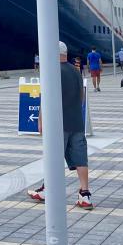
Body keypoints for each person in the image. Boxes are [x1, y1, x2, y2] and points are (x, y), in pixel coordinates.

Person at [26, 41, 93, 209]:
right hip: (77, 121)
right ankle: (85, 194)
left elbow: (47, 98)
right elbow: (82, 98)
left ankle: (48, 190)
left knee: (54, 157)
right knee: (81, 158)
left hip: (58, 122)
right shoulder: (76, 71)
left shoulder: (52, 71)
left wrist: (41, 119)